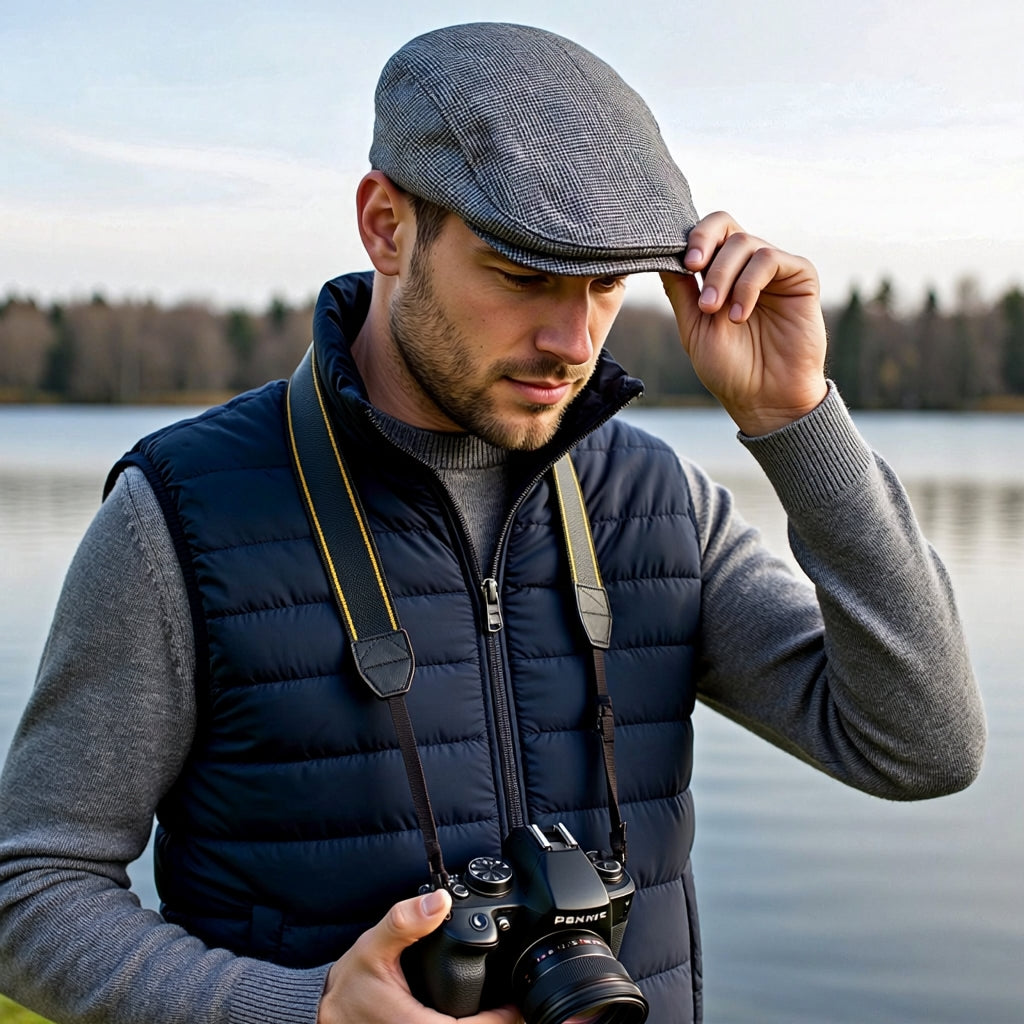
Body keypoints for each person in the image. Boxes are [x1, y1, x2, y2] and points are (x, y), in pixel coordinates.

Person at [0, 21, 985, 1024]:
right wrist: (303, 1014)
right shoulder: (182, 514)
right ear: (386, 225)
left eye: (605, 285)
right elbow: (30, 887)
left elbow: (921, 746)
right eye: (521, 276)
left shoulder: (655, 502)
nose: (572, 342)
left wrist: (795, 419)